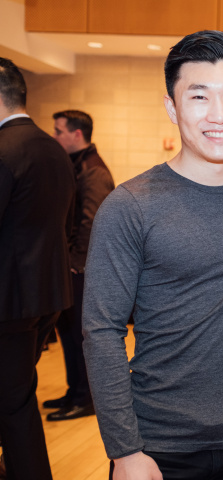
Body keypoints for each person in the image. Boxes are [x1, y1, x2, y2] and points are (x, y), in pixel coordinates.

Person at [82, 31, 223, 480]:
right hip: (157, 443)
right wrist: (125, 450)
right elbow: (101, 330)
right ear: (172, 107)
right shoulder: (130, 204)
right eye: (198, 97)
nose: (220, 114)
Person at [0, 57, 75, 480]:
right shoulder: (53, 148)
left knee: (14, 405)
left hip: (8, 301)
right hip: (45, 295)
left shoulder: (4, 149)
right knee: (15, 397)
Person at [43, 109, 115, 421]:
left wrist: (74, 264)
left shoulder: (93, 170)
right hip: (71, 267)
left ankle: (85, 398)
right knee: (68, 336)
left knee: (80, 337)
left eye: (59, 131)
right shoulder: (76, 165)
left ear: (76, 134)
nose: (55, 137)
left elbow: (92, 222)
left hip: (82, 271)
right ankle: (75, 391)